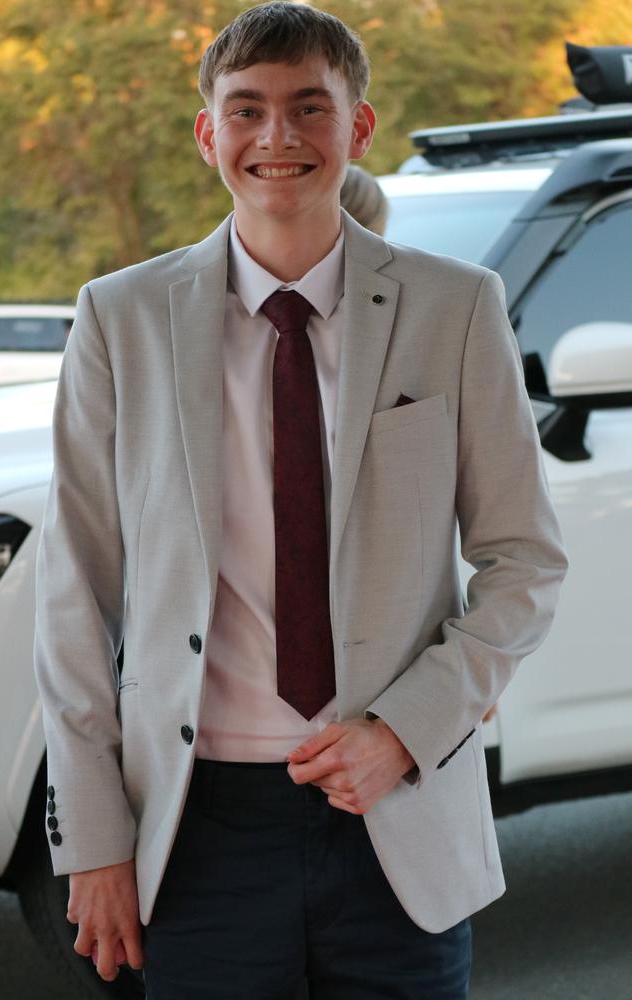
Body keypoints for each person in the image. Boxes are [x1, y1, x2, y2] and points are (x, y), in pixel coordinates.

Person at [33, 3, 567, 998]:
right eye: (246, 110)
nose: (276, 138)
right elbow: (73, 597)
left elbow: (523, 562)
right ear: (208, 135)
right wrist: (92, 841)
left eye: (307, 108)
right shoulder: (119, 317)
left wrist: (401, 731)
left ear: (356, 127)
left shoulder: (455, 306)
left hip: (395, 816)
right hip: (193, 829)